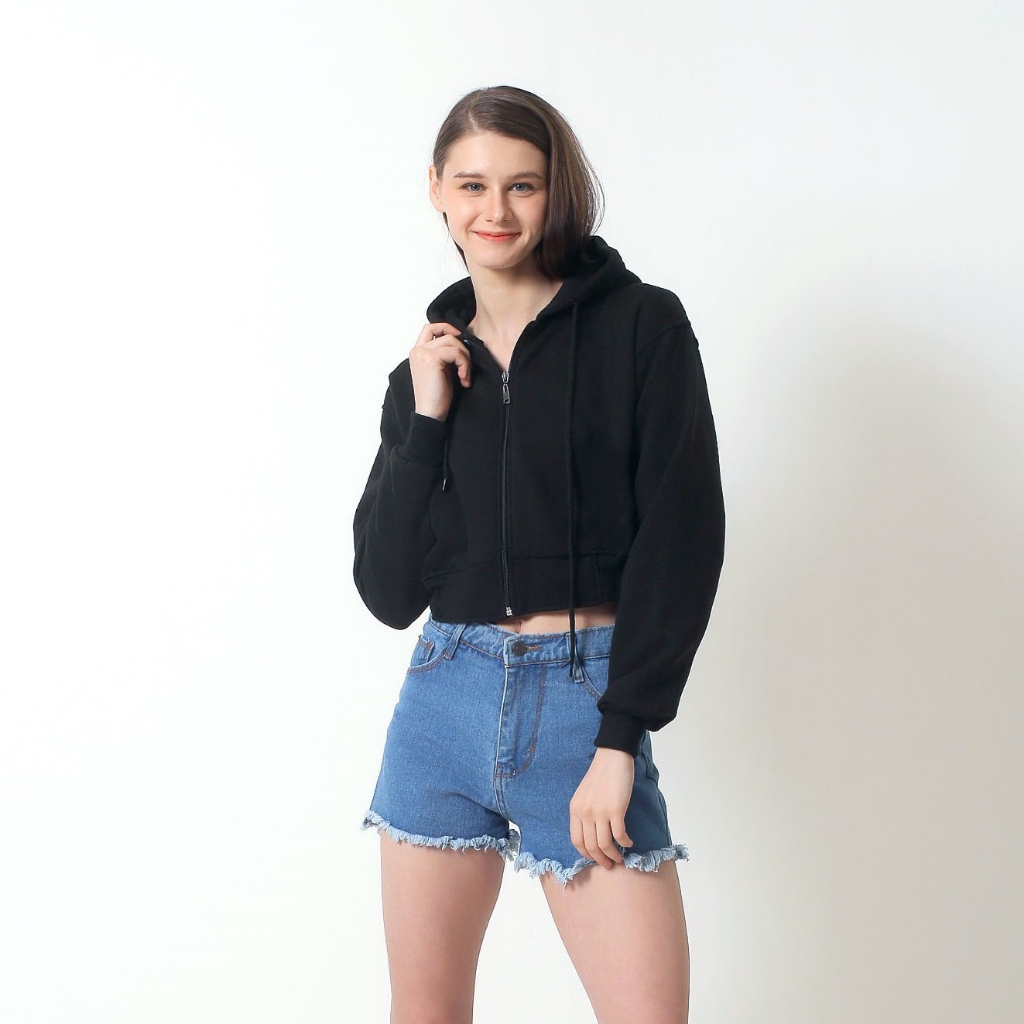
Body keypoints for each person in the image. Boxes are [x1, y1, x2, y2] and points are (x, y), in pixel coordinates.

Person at [354, 85, 725, 1024]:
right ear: (436, 189)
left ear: (557, 190)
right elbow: (387, 591)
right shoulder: (426, 372)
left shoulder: (642, 326)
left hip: (583, 704)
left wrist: (619, 737)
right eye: (472, 185)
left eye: (522, 185)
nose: (496, 210)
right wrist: (426, 418)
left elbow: (682, 543)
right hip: (444, 696)